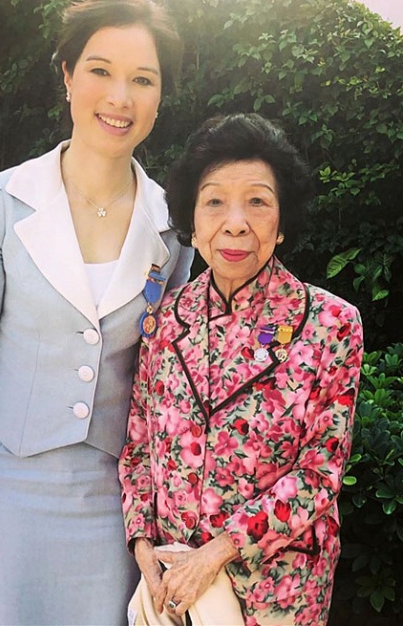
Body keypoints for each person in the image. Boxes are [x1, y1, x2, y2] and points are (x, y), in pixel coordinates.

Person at [0, 0, 192, 626]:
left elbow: (168, 381)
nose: (119, 98)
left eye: (143, 79)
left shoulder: (175, 228)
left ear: (161, 97)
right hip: (7, 496)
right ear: (68, 75)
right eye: (100, 71)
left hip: (114, 507)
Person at [119, 113, 364, 626]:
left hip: (276, 595)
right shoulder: (165, 322)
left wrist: (217, 552)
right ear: (192, 215)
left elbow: (320, 474)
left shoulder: (331, 325)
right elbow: (139, 446)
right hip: (172, 591)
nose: (234, 222)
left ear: (282, 219)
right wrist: (143, 546)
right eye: (214, 201)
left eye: (257, 201)